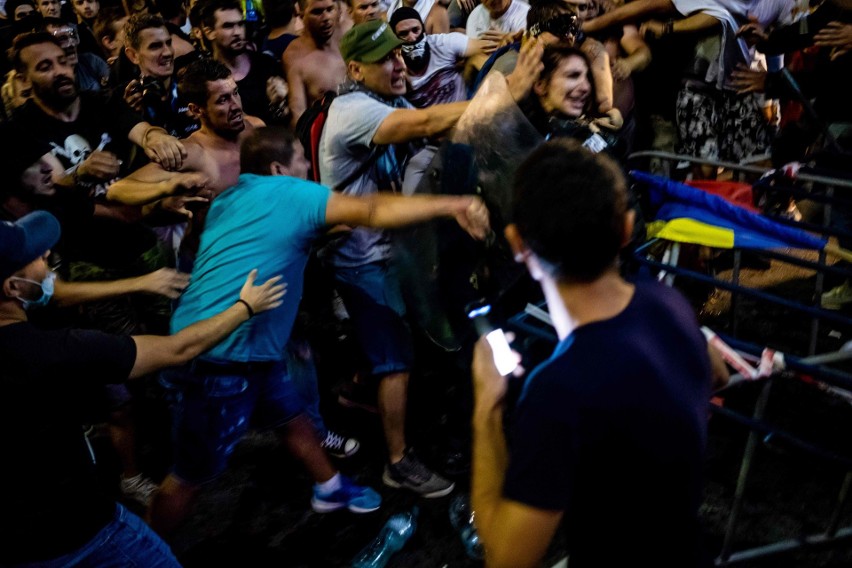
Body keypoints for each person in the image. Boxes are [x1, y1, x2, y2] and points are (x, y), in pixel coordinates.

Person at [149, 125, 491, 532]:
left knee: (291, 416)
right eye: (301, 160)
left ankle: (328, 487)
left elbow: (272, 239)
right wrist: (454, 204)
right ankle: (146, 550)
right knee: (190, 474)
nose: (309, 166)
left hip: (230, 341)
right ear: (278, 168)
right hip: (222, 356)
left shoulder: (233, 197)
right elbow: (369, 210)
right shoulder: (290, 192)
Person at [318, 19, 541, 497]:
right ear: (355, 68)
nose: (399, 64)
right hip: (361, 256)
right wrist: (508, 92)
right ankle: (397, 461)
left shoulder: (387, 99)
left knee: (394, 341)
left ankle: (356, 390)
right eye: (385, 59)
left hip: (388, 246)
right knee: (396, 358)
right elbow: (422, 124)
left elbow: (444, 132)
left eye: (399, 55)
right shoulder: (352, 109)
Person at [470, 139, 714, 567]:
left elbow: (508, 559)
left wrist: (486, 409)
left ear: (517, 243)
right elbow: (717, 374)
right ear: (625, 228)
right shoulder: (668, 304)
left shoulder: (558, 393)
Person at [0, 209, 285, 567]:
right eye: (37, 258)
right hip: (78, 531)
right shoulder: (59, 352)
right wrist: (245, 307)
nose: (47, 257)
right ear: (12, 288)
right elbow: (179, 348)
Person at [201, 0, 289, 124]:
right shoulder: (204, 78)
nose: (237, 32)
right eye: (228, 26)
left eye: (240, 24)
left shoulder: (266, 64)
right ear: (209, 32)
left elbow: (286, 120)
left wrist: (279, 104)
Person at [390, 5, 495, 107]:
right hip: (430, 122)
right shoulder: (393, 68)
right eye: (404, 34)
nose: (412, 38)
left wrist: (505, 40)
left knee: (480, 59)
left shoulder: (442, 43)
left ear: (423, 29)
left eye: (415, 30)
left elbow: (487, 47)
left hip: (466, 110)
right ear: (394, 39)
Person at [283, 0, 348, 126]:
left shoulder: (350, 35)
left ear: (338, 10)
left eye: (330, 9)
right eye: (317, 12)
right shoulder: (294, 55)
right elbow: (298, 115)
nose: (326, 17)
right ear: (301, 16)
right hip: (325, 135)